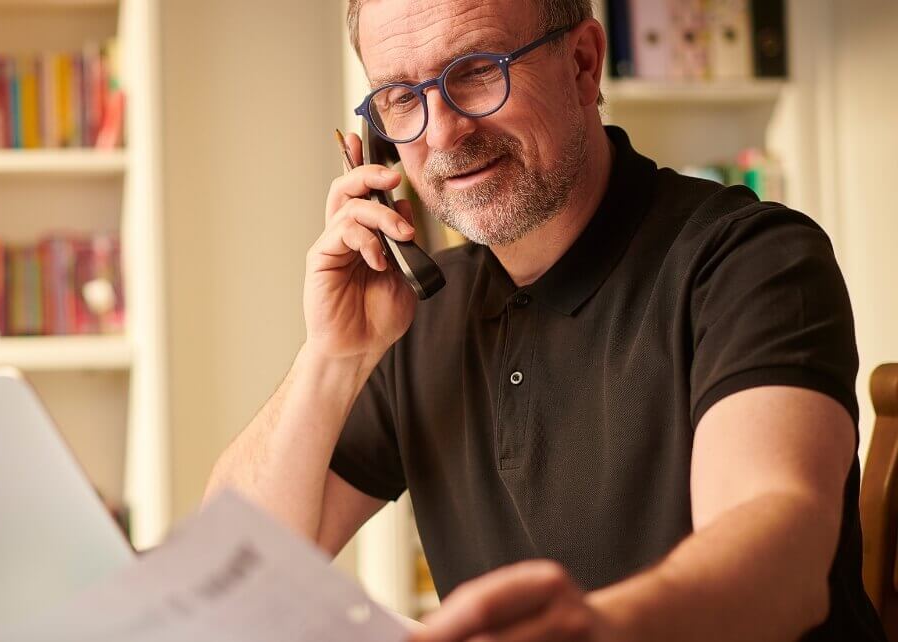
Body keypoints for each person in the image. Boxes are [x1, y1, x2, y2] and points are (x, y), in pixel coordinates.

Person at [204, 1, 887, 640]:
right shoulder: (418, 314)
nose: (441, 132)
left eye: (476, 72)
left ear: (584, 63)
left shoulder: (746, 260)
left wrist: (597, 628)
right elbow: (223, 579)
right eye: (401, 99)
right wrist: (333, 357)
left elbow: (784, 562)